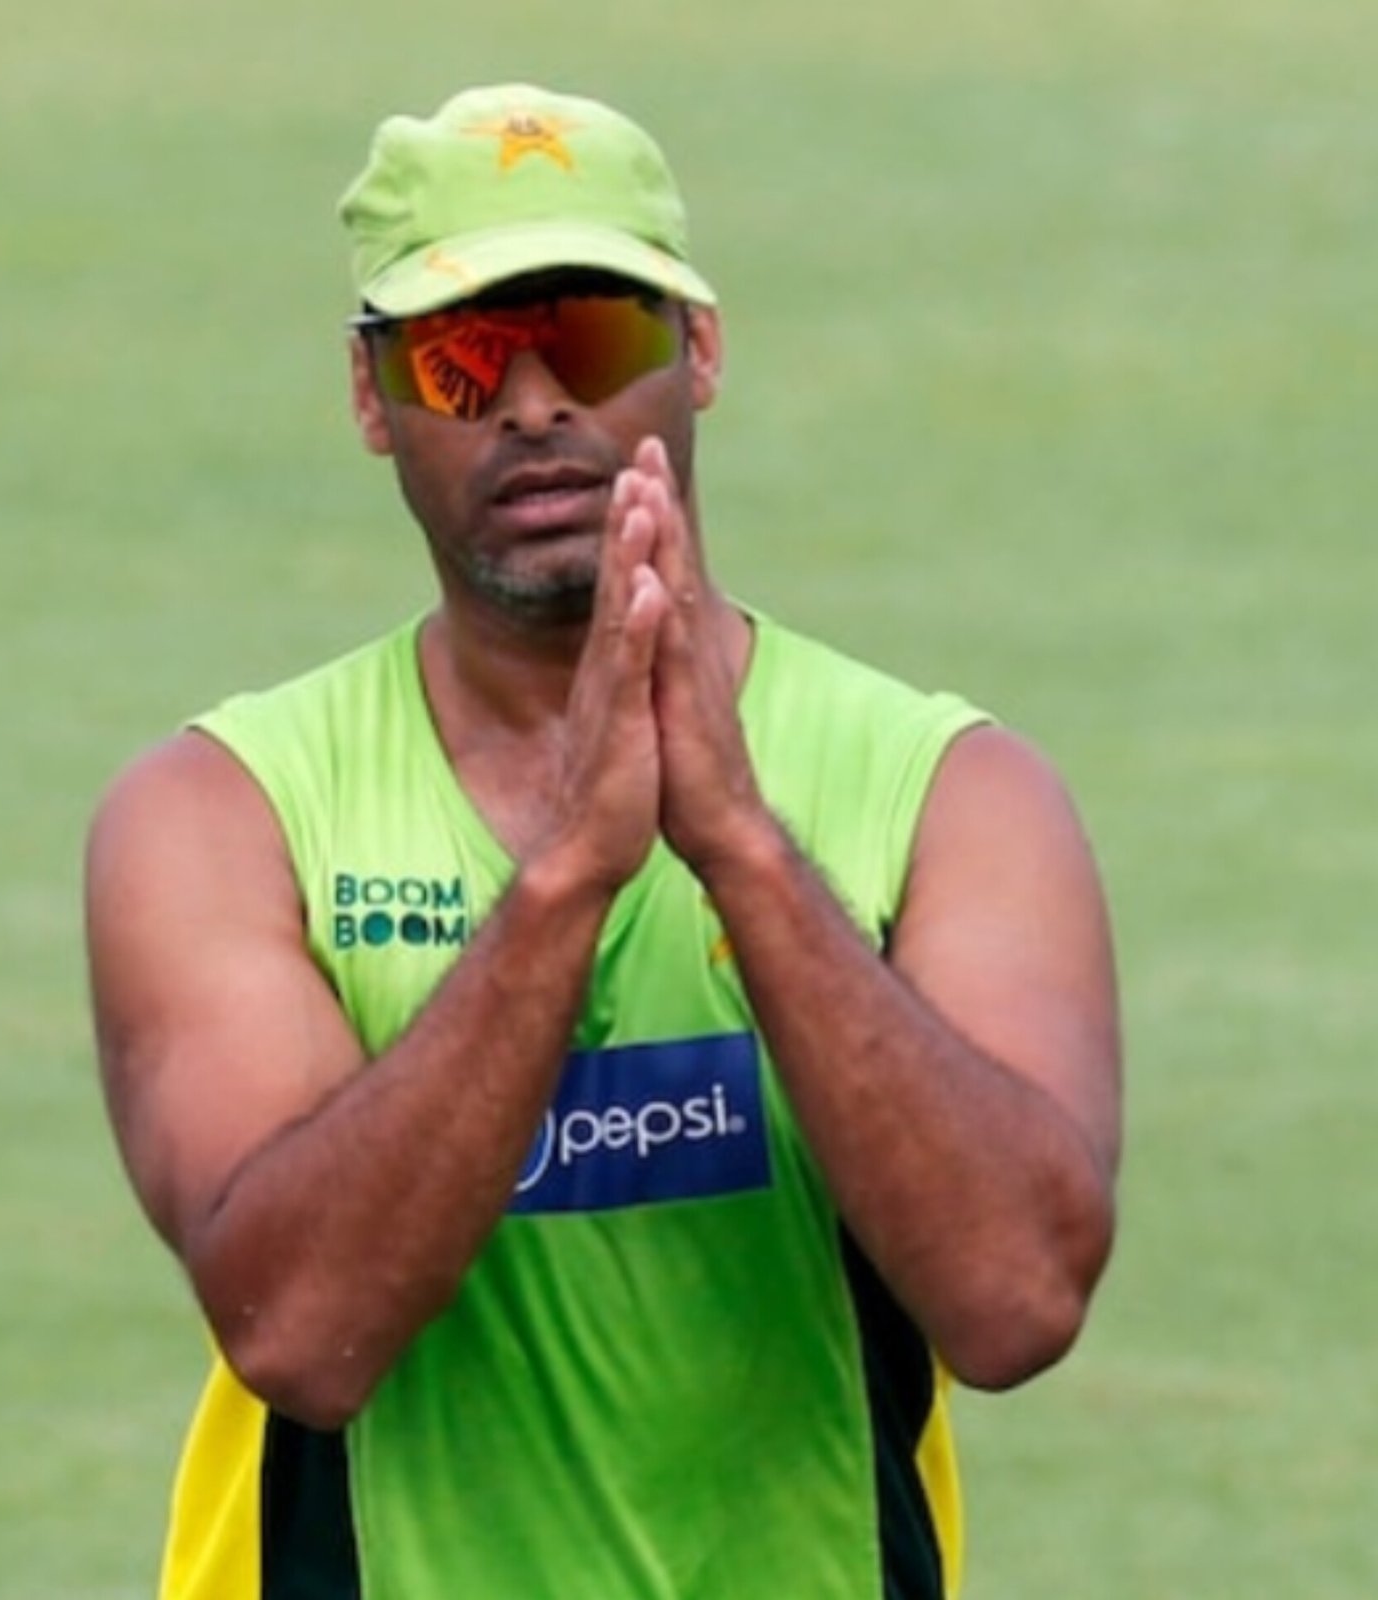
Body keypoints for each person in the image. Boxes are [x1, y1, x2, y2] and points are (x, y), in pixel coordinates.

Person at [85, 81, 1122, 1600]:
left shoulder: (949, 791)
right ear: (371, 396)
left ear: (699, 351)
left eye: (591, 336)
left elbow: (1017, 1302)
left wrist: (743, 849)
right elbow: (303, 1334)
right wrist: (569, 875)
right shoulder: (225, 815)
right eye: (460, 355)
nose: (531, 404)